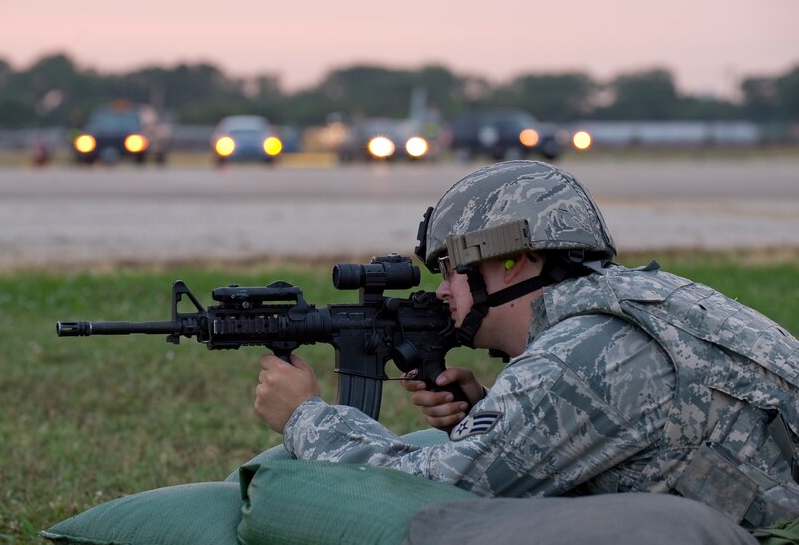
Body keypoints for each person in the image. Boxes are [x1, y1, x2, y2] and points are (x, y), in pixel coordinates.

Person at [254, 160, 799, 531]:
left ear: (510, 259)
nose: (441, 289)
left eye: (449, 266)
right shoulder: (637, 300)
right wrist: (492, 411)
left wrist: (304, 415)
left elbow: (433, 493)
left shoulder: (586, 355)